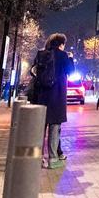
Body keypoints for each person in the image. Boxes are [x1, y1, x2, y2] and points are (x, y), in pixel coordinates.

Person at [29, 33, 73, 169]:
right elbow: (70, 71)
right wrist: (71, 59)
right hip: (57, 95)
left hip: (42, 95)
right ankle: (53, 159)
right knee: (55, 128)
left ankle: (37, 158)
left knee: (40, 128)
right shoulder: (63, 55)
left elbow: (33, 71)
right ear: (61, 44)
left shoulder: (41, 54)